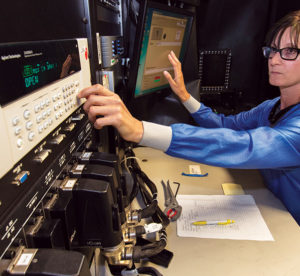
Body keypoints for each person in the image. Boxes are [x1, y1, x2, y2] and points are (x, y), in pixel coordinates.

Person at [78, 10, 300, 225]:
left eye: (289, 51)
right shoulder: (271, 107)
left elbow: (245, 146)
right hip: (277, 213)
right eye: (272, 49)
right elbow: (225, 126)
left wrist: (139, 130)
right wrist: (185, 96)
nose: (274, 59)